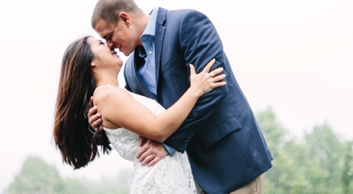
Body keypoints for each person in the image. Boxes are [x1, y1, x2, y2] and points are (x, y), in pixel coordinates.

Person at [88, 0, 272, 194]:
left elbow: (214, 89)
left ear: (125, 19)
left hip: (230, 164)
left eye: (108, 36)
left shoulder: (187, 23)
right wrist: (98, 123)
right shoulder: (131, 70)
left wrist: (169, 144)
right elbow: (130, 118)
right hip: (188, 180)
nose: (110, 45)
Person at [53, 35, 226, 194]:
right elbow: (159, 129)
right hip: (160, 183)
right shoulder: (107, 96)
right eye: (100, 43)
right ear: (90, 61)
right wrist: (195, 90)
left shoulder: (116, 94)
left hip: (168, 179)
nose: (110, 46)